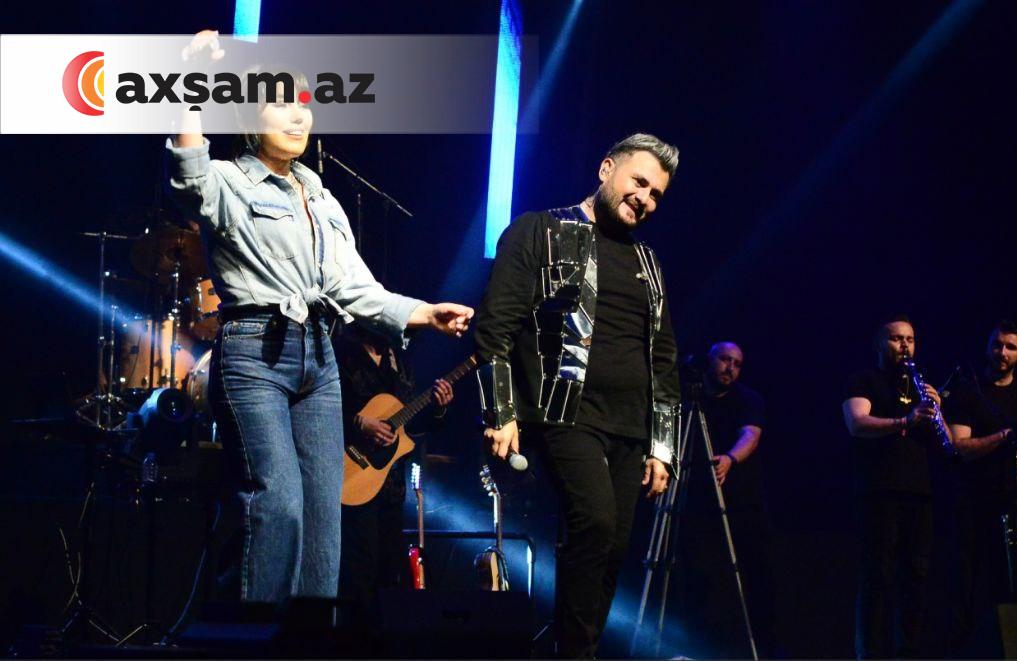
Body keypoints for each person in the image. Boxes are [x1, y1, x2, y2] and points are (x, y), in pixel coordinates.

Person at [166, 30, 472, 603]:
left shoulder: (322, 197)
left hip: (320, 356)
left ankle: (312, 635)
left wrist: (425, 313)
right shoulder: (230, 180)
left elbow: (356, 288)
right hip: (255, 352)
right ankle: (261, 630)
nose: (298, 116)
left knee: (323, 512)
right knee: (278, 501)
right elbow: (188, 174)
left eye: (303, 104)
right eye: (281, 104)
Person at [473, 133, 681, 658]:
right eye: (639, 182)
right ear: (606, 168)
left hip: (631, 424)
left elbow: (663, 356)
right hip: (565, 412)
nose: (645, 198)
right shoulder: (539, 230)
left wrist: (663, 447)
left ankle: (576, 647)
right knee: (594, 522)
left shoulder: (648, 262)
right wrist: (501, 412)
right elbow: (496, 326)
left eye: (656, 194)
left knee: (613, 547)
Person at [841, 315, 947, 659]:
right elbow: (857, 423)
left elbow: (946, 442)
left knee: (916, 573)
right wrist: (906, 419)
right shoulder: (864, 380)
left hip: (919, 492)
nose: (904, 346)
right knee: (878, 574)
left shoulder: (920, 387)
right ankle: (870, 652)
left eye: (910, 339)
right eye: (896, 339)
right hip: (879, 490)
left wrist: (937, 410)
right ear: (879, 344)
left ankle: (908, 650)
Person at [945, 320, 1017, 651]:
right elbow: (960, 446)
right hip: (973, 502)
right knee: (967, 583)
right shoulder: (968, 393)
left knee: (1009, 583)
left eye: (1010, 347)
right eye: (997, 345)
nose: (1002, 352)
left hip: (1013, 504)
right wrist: (1004, 436)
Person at [334, 324, 453, 612]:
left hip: (390, 484)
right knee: (357, 570)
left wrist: (438, 409)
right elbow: (317, 409)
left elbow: (408, 427)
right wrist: (358, 423)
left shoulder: (400, 362)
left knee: (388, 572)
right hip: (349, 476)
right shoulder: (341, 352)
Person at [677, 341, 773, 658]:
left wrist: (731, 458)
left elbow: (751, 434)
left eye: (737, 363)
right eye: (725, 360)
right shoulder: (689, 396)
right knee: (696, 571)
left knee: (752, 571)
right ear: (710, 360)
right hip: (693, 496)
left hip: (741, 498)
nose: (730, 368)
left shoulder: (748, 399)